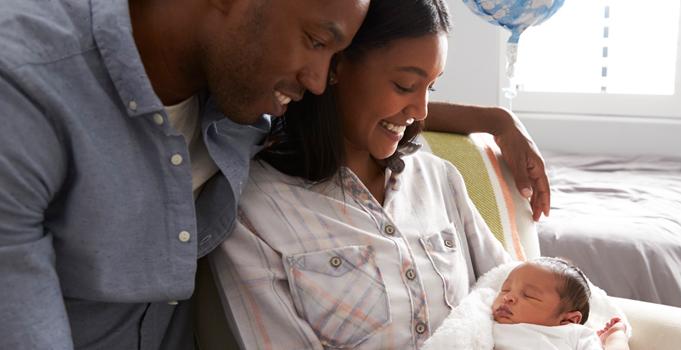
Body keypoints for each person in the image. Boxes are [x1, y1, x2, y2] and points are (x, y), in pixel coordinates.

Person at [0, 1, 549, 349]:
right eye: (317, 41)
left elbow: (357, 101)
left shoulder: (242, 85)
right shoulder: (24, 96)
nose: (316, 80)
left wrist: (495, 120)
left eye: (333, 54)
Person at [209, 0, 515, 348]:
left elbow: (515, 288)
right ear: (335, 65)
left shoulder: (437, 177)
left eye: (431, 88)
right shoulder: (256, 211)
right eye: (403, 85)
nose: (420, 111)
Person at [491, 258, 629, 350]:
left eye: (529, 295)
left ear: (567, 319)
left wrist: (616, 338)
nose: (508, 297)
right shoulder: (486, 321)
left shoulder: (572, 333)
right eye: (505, 289)